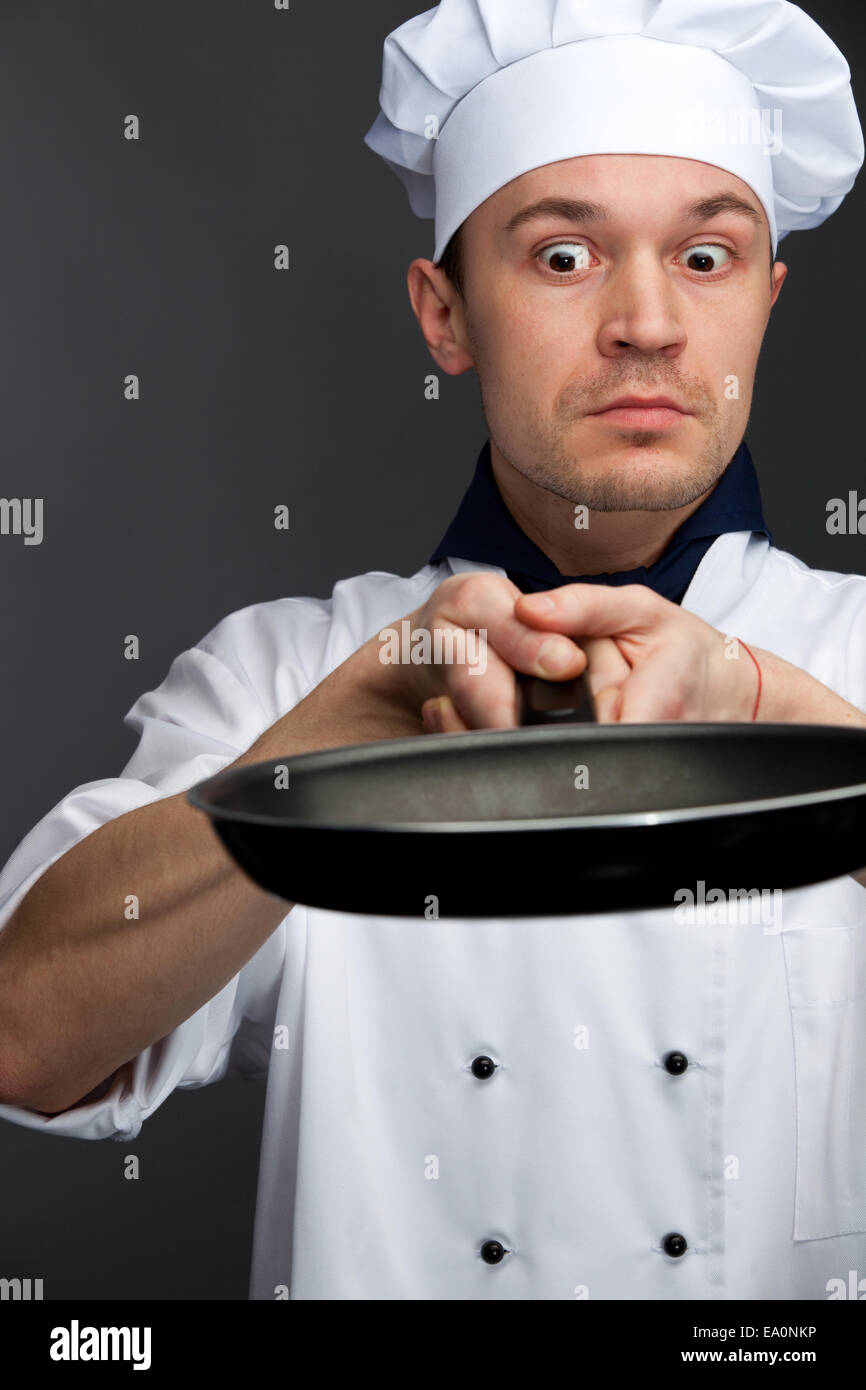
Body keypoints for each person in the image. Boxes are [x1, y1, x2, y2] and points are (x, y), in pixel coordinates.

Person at [1, 0, 865, 1300]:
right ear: (443, 313)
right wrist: (319, 757)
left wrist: (760, 704)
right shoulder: (282, 676)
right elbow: (25, 1036)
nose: (645, 321)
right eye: (563, 255)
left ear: (763, 300)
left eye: (705, 256)